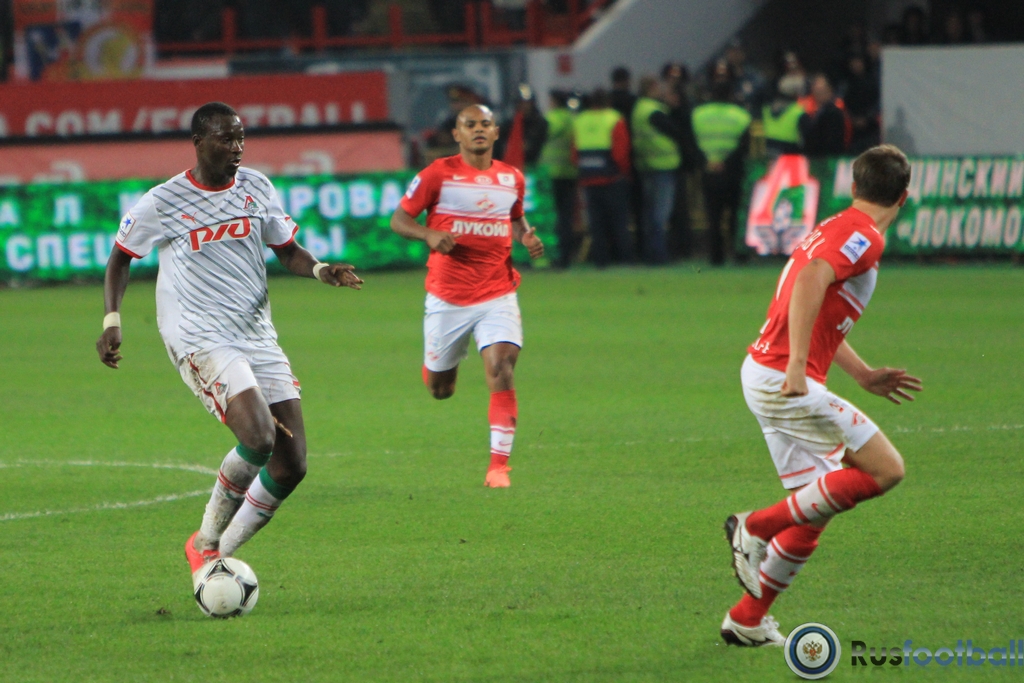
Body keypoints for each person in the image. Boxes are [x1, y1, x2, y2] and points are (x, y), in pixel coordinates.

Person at [95, 102, 364, 581]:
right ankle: (207, 542)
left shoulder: (257, 186)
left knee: (292, 464)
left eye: (241, 137)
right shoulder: (163, 201)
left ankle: (215, 553)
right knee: (258, 437)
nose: (237, 147)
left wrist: (322, 269)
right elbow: (120, 257)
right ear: (198, 142)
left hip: (256, 333)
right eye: (225, 138)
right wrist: (112, 320)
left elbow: (287, 250)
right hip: (199, 336)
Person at [721, 145, 922, 646]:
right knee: (886, 470)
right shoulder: (865, 237)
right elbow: (812, 279)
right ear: (904, 196)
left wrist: (862, 374)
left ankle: (747, 619)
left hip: (765, 374)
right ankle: (754, 527)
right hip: (782, 379)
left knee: (814, 508)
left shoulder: (837, 225)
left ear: (854, 187)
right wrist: (795, 366)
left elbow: (821, 306)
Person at [389, 104, 544, 488]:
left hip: (497, 292)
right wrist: (428, 234)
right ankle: (436, 367)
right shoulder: (436, 174)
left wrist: (526, 236)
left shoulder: (511, 177)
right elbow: (399, 219)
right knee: (440, 389)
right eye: (470, 124)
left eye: (485, 124)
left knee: (501, 368)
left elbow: (515, 215)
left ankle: (498, 467)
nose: (478, 129)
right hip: (448, 297)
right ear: (457, 134)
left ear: (495, 133)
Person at [691, 61, 751, 265]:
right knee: (735, 214)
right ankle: (738, 254)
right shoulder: (741, 115)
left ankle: (716, 256)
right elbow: (744, 147)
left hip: (709, 172)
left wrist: (707, 161)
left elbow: (693, 143)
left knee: (713, 216)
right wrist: (726, 162)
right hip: (733, 172)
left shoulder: (698, 114)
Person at [573, 88, 634, 267]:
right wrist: (625, 172)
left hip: (588, 178)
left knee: (596, 223)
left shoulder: (580, 120)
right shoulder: (614, 118)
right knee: (619, 222)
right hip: (613, 178)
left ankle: (600, 260)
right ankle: (625, 258)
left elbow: (574, 153)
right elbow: (621, 152)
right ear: (608, 101)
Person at [631, 75, 682, 265]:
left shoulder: (638, 108)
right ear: (652, 87)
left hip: (645, 164)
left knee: (650, 213)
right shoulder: (653, 110)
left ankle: (648, 253)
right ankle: (659, 255)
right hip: (663, 165)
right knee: (661, 214)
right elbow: (675, 130)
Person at [539, 89, 580, 268]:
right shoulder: (573, 118)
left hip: (550, 173)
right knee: (566, 216)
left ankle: (553, 255)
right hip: (569, 172)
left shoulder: (551, 118)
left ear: (554, 101)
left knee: (550, 217)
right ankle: (566, 256)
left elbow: (542, 136)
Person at [799, 74, 850, 156]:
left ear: (830, 90)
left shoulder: (838, 105)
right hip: (808, 150)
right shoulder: (803, 105)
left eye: (823, 90)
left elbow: (846, 129)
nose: (820, 93)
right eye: (817, 89)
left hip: (834, 150)